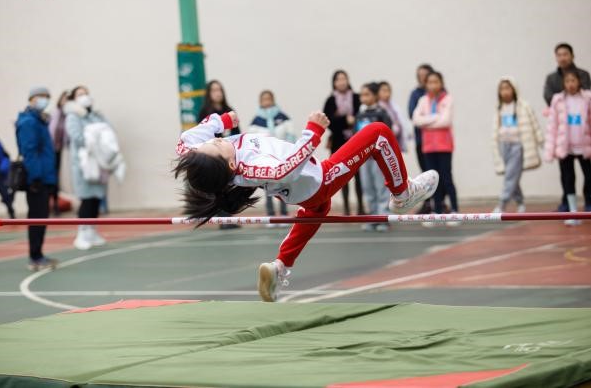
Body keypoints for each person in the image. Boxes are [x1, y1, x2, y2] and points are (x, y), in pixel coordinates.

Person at [173, 110, 439, 302]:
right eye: (217, 144)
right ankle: (403, 194)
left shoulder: (203, 154)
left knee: (317, 211)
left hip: (302, 192)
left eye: (211, 141)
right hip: (319, 181)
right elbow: (284, 171)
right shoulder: (251, 166)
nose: (216, 139)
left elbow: (186, 140)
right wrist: (312, 132)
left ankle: (280, 266)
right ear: (231, 165)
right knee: (377, 133)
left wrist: (221, 121)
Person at [65, 85, 117, 250]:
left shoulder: (97, 115)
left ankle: (92, 231)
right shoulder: (73, 116)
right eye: (80, 94)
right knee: (86, 199)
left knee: (97, 198)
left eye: (86, 93)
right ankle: (82, 233)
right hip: (84, 165)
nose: (85, 96)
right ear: (74, 99)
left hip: (100, 163)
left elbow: (109, 131)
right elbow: (77, 137)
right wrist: (94, 140)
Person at [543, 43, 591, 212]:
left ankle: (588, 201)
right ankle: (569, 206)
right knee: (567, 176)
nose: (562, 57)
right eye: (559, 54)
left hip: (584, 142)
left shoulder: (584, 77)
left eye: (565, 54)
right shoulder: (552, 81)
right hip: (565, 141)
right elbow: (548, 98)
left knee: (589, 174)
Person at [15, 87, 58, 271]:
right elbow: (29, 152)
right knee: (37, 218)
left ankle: (38, 254)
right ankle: (34, 257)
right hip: (37, 180)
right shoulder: (29, 122)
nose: (44, 100)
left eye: (47, 97)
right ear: (31, 98)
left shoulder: (40, 120)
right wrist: (36, 178)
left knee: (42, 218)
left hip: (45, 177)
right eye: (41, 96)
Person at [491, 77, 544, 213]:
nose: (505, 92)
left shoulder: (523, 106)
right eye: (502, 89)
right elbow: (496, 128)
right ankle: (520, 202)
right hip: (504, 145)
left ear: (514, 89)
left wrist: (541, 141)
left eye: (507, 88)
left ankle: (502, 204)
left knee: (510, 175)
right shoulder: (499, 108)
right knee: (512, 175)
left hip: (517, 145)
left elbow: (534, 123)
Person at [413, 71, 459, 221]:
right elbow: (416, 120)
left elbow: (446, 121)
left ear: (441, 83)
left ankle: (454, 210)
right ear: (425, 84)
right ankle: (437, 211)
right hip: (428, 146)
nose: (432, 85)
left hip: (444, 146)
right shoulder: (423, 100)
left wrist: (426, 121)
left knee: (446, 177)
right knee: (433, 180)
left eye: (436, 82)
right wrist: (435, 118)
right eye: (430, 82)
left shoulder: (447, 99)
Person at [248, 90, 295, 227]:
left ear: (273, 100)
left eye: (269, 99)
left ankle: (284, 214)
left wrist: (289, 152)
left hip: (282, 157)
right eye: (264, 99)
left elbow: (291, 135)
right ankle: (271, 215)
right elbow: (251, 140)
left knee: (284, 185)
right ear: (260, 102)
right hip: (265, 159)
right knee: (267, 186)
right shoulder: (256, 121)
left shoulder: (283, 117)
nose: (267, 101)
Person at [198, 80, 241, 229]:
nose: (217, 93)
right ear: (209, 94)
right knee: (219, 186)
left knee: (232, 186)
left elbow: (237, 131)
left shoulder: (229, 110)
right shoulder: (205, 112)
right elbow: (202, 133)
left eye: (219, 90)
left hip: (230, 153)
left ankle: (228, 217)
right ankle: (222, 218)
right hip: (215, 156)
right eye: (214, 90)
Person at [323, 70, 365, 215]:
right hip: (338, 142)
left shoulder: (356, 97)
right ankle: (346, 207)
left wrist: (351, 120)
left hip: (356, 140)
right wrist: (345, 120)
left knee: (359, 175)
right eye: (338, 79)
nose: (341, 82)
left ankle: (361, 207)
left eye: (344, 79)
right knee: (342, 175)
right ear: (334, 83)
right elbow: (329, 122)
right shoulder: (330, 100)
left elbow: (362, 116)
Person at [355, 82, 392, 232]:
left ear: (375, 96)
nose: (363, 98)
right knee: (367, 187)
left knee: (380, 187)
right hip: (364, 158)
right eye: (362, 95)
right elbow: (356, 136)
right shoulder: (360, 115)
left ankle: (383, 218)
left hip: (378, 158)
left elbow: (387, 133)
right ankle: (372, 217)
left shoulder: (382, 113)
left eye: (367, 94)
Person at [408, 64, 434, 213]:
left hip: (437, 142)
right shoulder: (415, 94)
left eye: (425, 74)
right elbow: (413, 115)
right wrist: (433, 119)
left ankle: (440, 203)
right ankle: (427, 203)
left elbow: (444, 116)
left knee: (440, 173)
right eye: (420, 75)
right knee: (425, 173)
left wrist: (426, 119)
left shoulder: (439, 94)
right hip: (421, 140)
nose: (422, 77)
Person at [48, 91, 68, 215]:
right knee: (49, 177)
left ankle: (55, 204)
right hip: (49, 150)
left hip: (58, 150)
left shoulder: (68, 116)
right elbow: (51, 130)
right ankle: (49, 204)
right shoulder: (55, 113)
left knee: (55, 178)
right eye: (64, 99)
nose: (66, 102)